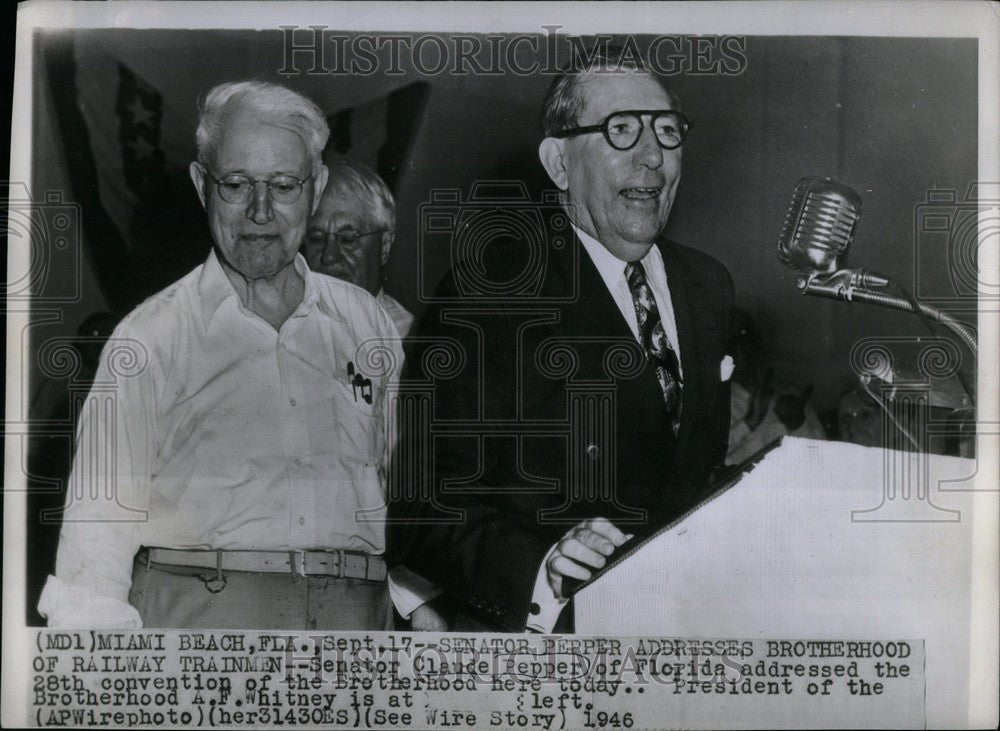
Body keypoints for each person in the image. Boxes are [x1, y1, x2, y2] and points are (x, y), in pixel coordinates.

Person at [38, 80, 428, 629]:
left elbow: (411, 495)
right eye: (237, 184)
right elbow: (96, 534)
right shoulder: (149, 336)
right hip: (203, 619)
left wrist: (427, 608)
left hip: (358, 620)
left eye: (285, 186)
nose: (260, 211)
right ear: (203, 185)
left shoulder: (369, 325)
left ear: (316, 188)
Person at [389, 54, 735, 632]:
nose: (652, 155)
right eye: (622, 130)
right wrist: (542, 566)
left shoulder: (709, 285)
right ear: (559, 163)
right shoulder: (492, 292)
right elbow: (426, 511)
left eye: (668, 131)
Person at [304, 161, 414, 337]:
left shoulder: (408, 340)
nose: (329, 256)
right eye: (316, 238)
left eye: (347, 239)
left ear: (384, 246)